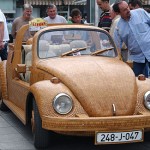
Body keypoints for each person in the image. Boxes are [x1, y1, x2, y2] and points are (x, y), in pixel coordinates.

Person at [113, 1, 150, 77]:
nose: (128, 10)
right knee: (137, 80)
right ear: (118, 13)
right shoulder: (118, 27)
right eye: (124, 9)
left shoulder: (141, 12)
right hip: (137, 58)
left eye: (127, 7)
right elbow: (117, 47)